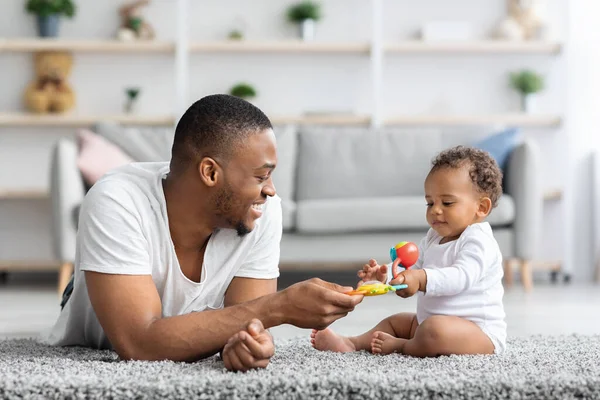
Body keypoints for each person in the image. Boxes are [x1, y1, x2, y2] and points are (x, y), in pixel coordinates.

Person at [45, 94, 363, 371]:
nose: (270, 190)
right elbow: (139, 345)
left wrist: (248, 345)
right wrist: (279, 307)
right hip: (100, 323)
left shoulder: (263, 209)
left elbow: (248, 323)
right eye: (260, 176)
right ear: (210, 172)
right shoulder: (116, 199)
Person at [311, 145, 507, 356]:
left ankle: (401, 346)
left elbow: (461, 276)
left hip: (478, 335)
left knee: (434, 330)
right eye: (429, 203)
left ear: (481, 208)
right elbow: (412, 267)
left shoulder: (479, 241)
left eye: (447, 202)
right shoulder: (434, 237)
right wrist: (386, 274)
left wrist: (421, 279)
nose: (436, 210)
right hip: (428, 324)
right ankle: (352, 343)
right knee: (398, 322)